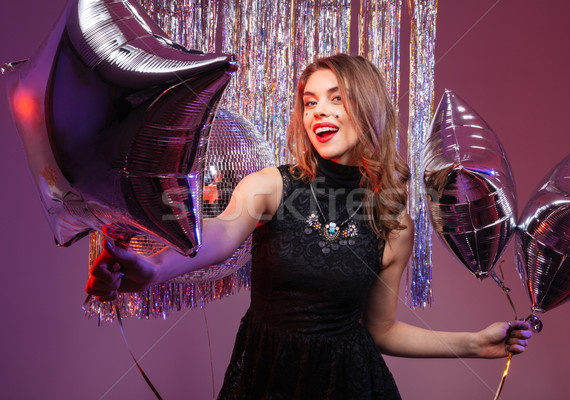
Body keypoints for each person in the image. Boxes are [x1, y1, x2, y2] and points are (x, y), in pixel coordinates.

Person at [86, 54, 532, 399]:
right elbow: (216, 238)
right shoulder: (269, 186)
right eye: (309, 102)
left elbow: (381, 329)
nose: (320, 111)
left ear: (369, 105)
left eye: (337, 98)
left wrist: (475, 345)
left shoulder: (394, 223)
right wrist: (151, 269)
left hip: (350, 384)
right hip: (266, 378)